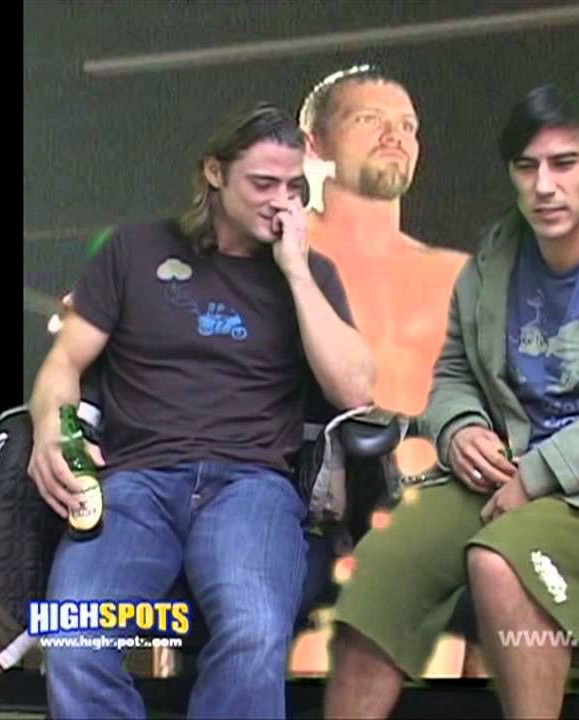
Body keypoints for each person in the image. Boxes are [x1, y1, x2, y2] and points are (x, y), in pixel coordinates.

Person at [323, 84, 579, 718]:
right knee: (386, 563)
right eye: (527, 166)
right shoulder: (496, 257)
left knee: (502, 564)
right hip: (505, 479)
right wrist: (460, 427)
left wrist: (543, 471)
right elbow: (453, 373)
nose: (544, 185)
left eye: (564, 164)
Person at [26, 102, 374, 719]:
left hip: (252, 486)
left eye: (293, 187)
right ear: (214, 172)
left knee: (253, 633)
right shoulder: (134, 250)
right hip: (135, 481)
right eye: (262, 184)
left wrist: (295, 271)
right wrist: (53, 431)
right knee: (74, 635)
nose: (280, 202)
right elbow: (64, 363)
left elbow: (355, 391)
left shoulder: (311, 273)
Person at [298, 63, 468, 477]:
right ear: (312, 143)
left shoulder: (455, 275)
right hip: (302, 489)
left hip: (439, 489)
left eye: (407, 125)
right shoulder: (271, 259)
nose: (394, 136)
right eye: (368, 119)